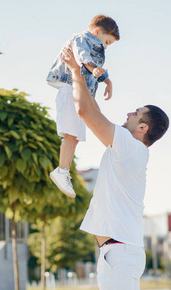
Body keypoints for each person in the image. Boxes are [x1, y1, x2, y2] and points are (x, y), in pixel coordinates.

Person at [59, 47, 170, 289]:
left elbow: (85, 112)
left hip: (120, 255)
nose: (130, 113)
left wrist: (76, 72)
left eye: (136, 113)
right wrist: (91, 79)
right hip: (118, 253)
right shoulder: (130, 149)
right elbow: (95, 113)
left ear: (143, 128)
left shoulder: (130, 147)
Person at [46, 15, 120, 198]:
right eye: (107, 41)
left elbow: (94, 65)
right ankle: (61, 171)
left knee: (77, 135)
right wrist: (92, 68)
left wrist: (107, 80)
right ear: (96, 32)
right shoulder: (81, 39)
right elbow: (82, 57)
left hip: (80, 90)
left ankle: (64, 171)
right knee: (71, 134)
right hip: (70, 88)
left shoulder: (93, 43)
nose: (106, 46)